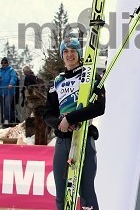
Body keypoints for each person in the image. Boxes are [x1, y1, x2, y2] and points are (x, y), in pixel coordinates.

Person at [43, 37, 105, 210]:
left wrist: (71, 118)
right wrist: (59, 123)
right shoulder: (57, 81)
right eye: (65, 51)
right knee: (62, 195)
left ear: (79, 53)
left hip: (84, 138)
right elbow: (48, 113)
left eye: (73, 51)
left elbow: (99, 107)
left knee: (87, 194)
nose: (69, 55)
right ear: (62, 55)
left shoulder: (91, 75)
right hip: (63, 140)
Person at [0, 57, 18, 124]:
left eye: (5, 63)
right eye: (2, 63)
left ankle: (6, 119)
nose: (3, 64)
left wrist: (11, 84)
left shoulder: (11, 70)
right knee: (3, 107)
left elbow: (14, 78)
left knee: (7, 105)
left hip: (9, 91)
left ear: (7, 63)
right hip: (1, 92)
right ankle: (12, 118)